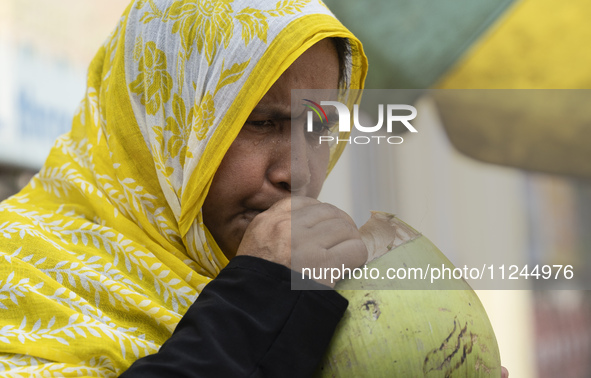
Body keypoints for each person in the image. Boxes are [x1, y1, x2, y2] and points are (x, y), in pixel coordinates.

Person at [0, 0, 368, 376]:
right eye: (261, 122)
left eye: (319, 127)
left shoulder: (314, 291)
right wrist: (258, 304)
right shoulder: (17, 270)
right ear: (162, 127)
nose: (299, 172)